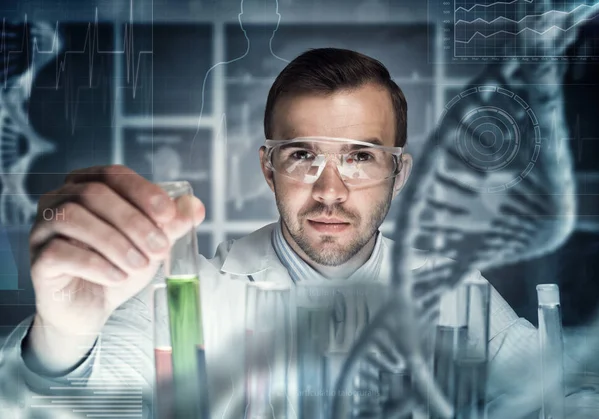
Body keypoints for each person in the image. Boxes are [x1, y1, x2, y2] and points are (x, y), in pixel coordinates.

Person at [0, 48, 547, 418]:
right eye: (303, 155)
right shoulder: (195, 294)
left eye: (360, 156)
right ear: (268, 167)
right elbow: (68, 403)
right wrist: (62, 340)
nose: (329, 190)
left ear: (399, 174)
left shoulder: (452, 290)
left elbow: (566, 393)